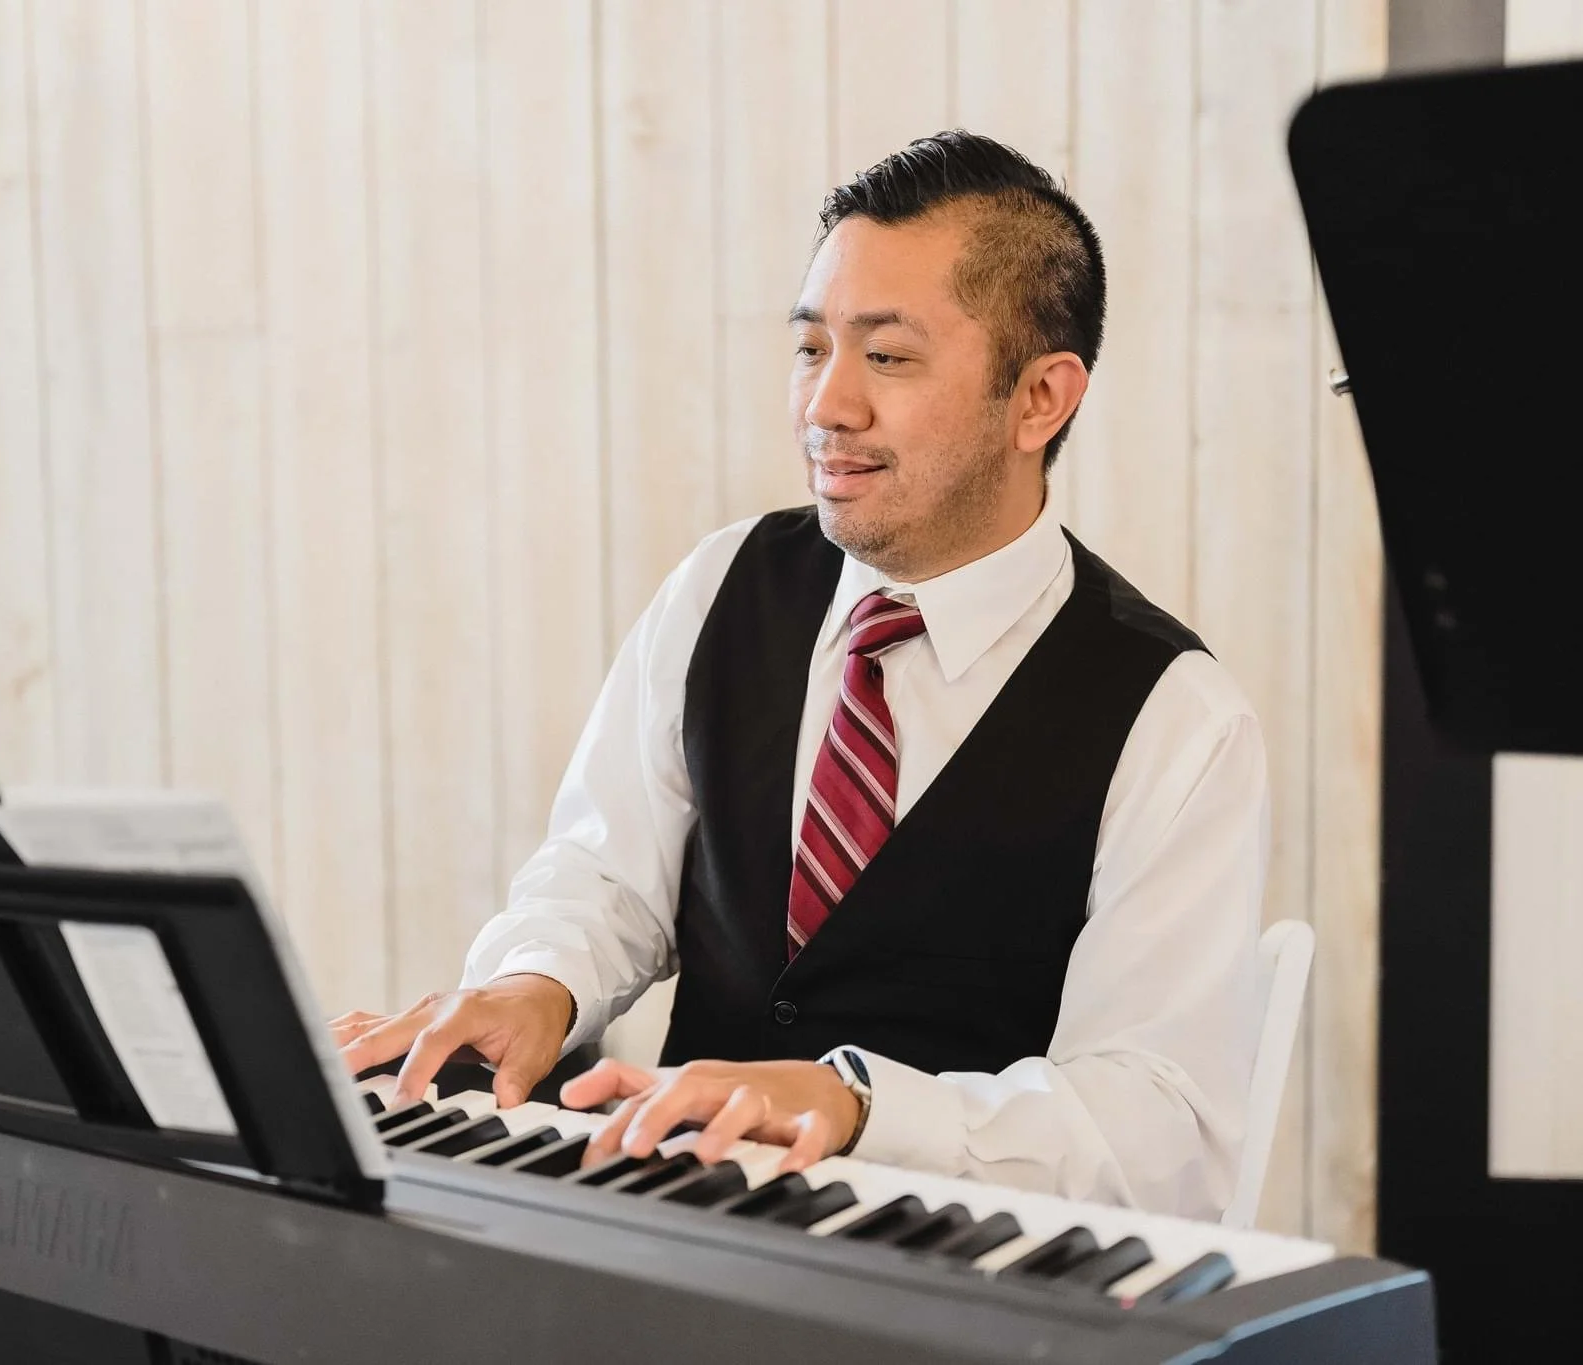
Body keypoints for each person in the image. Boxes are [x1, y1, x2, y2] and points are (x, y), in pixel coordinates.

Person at [334, 131, 1266, 1220]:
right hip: (677, 1227)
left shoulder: (1176, 718)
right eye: (810, 347)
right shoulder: (718, 584)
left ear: (1039, 400)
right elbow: (603, 875)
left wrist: (857, 1107)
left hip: (964, 1275)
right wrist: (537, 983)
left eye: (887, 357)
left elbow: (1156, 1127)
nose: (827, 406)